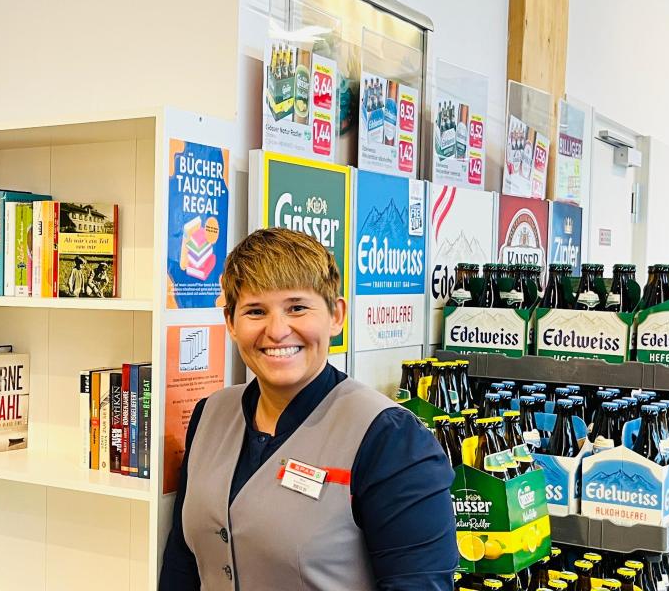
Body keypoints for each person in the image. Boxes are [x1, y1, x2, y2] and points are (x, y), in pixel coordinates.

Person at [159, 228, 457, 590]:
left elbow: (419, 583)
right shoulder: (209, 415)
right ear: (231, 324)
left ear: (336, 315)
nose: (277, 330)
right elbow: (182, 564)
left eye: (297, 307)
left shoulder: (391, 440)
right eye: (255, 311)